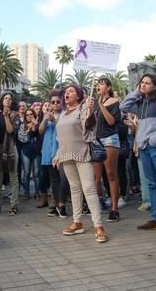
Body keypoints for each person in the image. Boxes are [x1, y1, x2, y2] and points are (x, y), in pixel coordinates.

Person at [121, 74, 156, 237]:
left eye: (147, 83)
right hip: (145, 147)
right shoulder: (139, 101)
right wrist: (136, 93)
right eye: (142, 82)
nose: (143, 85)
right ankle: (155, 219)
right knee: (152, 183)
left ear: (155, 86)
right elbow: (123, 107)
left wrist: (155, 139)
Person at [52, 84, 107, 243]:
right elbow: (61, 137)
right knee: (75, 188)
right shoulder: (62, 114)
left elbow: (89, 126)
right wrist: (58, 154)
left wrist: (90, 111)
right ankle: (77, 222)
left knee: (89, 188)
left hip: (82, 153)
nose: (67, 94)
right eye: (66, 92)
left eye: (71, 91)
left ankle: (98, 225)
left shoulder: (83, 109)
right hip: (66, 155)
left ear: (79, 95)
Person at [91, 77, 122, 222]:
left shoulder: (115, 102)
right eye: (97, 84)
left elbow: (111, 121)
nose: (98, 86)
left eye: (101, 84)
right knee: (96, 176)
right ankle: (99, 202)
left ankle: (114, 208)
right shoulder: (95, 103)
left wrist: (102, 105)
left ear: (108, 88)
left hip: (110, 138)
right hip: (96, 141)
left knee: (110, 173)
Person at [0, 92, 21, 215]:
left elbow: (10, 130)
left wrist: (7, 116)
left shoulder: (15, 115)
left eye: (10, 99)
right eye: (5, 98)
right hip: (0, 149)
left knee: (13, 178)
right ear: (2, 101)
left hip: (11, 148)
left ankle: (14, 205)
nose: (8, 100)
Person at [40, 92, 68, 218]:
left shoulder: (65, 114)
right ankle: (57, 205)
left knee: (64, 179)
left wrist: (54, 120)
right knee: (54, 181)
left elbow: (64, 130)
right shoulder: (47, 115)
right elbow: (40, 130)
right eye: (53, 102)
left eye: (58, 101)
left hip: (61, 150)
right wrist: (46, 119)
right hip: (48, 151)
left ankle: (62, 204)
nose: (55, 104)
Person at [20, 107, 41, 200]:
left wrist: (35, 125)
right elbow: (22, 139)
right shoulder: (22, 125)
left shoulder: (38, 124)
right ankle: (26, 193)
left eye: (31, 114)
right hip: (26, 151)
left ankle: (37, 193)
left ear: (34, 115)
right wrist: (28, 129)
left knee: (36, 173)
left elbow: (39, 134)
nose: (29, 116)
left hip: (36, 151)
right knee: (26, 173)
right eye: (27, 115)